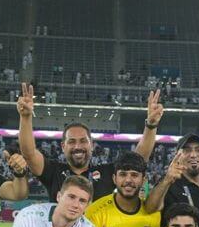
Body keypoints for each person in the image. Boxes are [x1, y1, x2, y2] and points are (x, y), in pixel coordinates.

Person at [16, 83, 163, 200]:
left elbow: (138, 160)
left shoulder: (106, 173)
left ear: (91, 145)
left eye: (83, 141)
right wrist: (26, 117)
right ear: (63, 146)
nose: (78, 146)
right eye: (72, 142)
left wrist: (151, 125)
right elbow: (29, 154)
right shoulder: (53, 172)